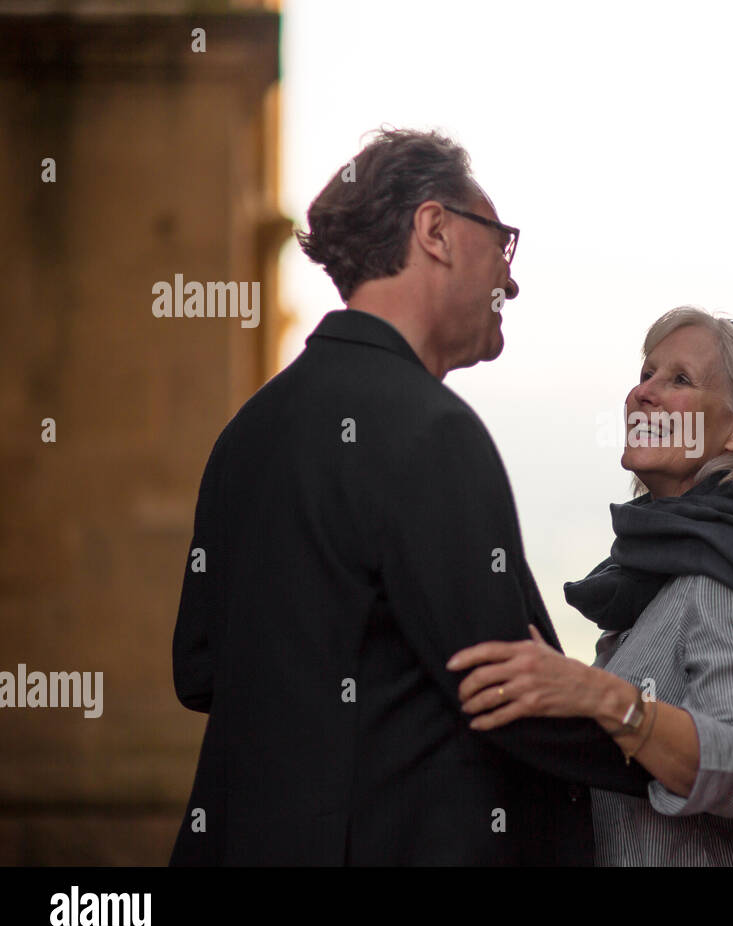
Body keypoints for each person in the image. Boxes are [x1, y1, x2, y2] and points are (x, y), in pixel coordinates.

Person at [168, 128, 650, 866]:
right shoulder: (432, 432)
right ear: (436, 232)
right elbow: (505, 693)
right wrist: (672, 750)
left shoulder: (245, 434)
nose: (510, 282)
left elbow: (198, 670)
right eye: (503, 243)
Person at [449, 306, 733, 865]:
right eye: (647, 372)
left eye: (679, 379)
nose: (643, 392)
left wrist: (600, 696)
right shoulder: (667, 573)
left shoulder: (720, 575)